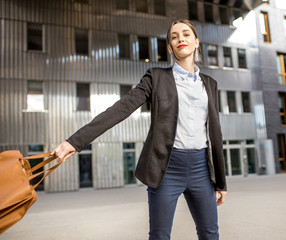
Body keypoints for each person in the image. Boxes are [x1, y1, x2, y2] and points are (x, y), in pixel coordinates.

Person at [52, 19, 227, 240]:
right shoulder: (156, 77)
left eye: (185, 34)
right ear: (170, 47)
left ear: (196, 42)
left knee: (211, 234)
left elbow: (215, 134)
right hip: (166, 169)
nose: (180, 38)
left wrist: (220, 181)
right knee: (159, 236)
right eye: (174, 37)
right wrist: (75, 142)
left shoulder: (209, 84)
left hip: (201, 170)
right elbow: (121, 109)